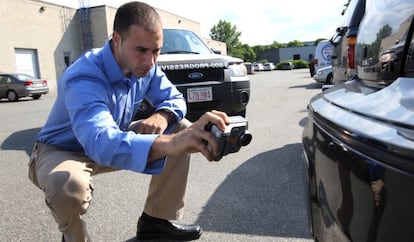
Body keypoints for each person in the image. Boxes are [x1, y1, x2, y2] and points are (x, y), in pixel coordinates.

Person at [28, 1, 229, 241]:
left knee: (182, 127)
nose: (151, 61)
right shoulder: (84, 76)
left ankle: (156, 222)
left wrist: (162, 116)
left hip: (111, 136)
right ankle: (74, 238)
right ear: (117, 39)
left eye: (156, 51)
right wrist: (170, 143)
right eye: (142, 50)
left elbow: (174, 98)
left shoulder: (147, 67)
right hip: (62, 151)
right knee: (67, 185)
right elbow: (100, 142)